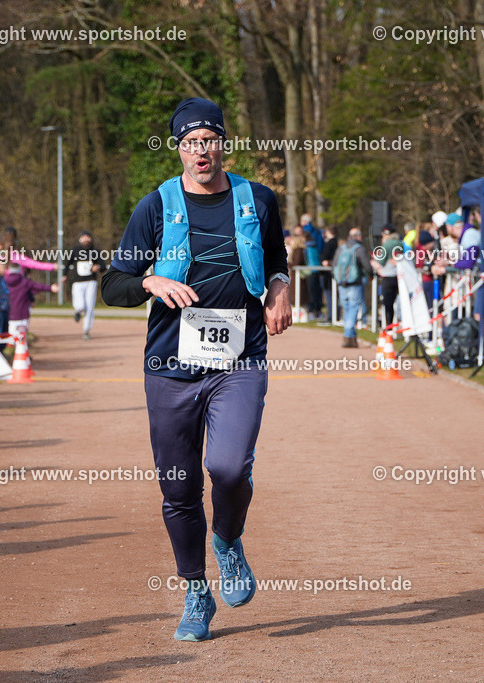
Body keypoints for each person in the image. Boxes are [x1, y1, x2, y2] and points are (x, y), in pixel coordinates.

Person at [100, 97, 291, 642]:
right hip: (168, 364)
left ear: (223, 143)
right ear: (179, 148)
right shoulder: (155, 207)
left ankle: (227, 541)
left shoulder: (257, 199)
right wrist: (148, 282)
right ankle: (195, 592)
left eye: (209, 140)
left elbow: (276, 259)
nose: (200, 151)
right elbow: (113, 284)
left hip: (241, 359)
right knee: (178, 486)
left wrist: (280, 288)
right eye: (190, 142)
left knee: (229, 467)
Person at [62, 231, 105, 340]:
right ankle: (78, 311)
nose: (86, 239)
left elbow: (103, 266)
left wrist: (98, 267)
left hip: (91, 282)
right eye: (84, 237)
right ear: (80, 239)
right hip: (77, 282)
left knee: (90, 306)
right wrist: (64, 275)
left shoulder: (95, 251)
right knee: (80, 305)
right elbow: (68, 264)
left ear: (90, 239)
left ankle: (86, 330)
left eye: (88, 237)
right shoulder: (75, 250)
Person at [333, 227, 371, 347]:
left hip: (342, 283)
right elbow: (367, 266)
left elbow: (334, 265)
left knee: (347, 309)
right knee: (353, 309)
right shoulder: (359, 249)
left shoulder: (341, 249)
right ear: (358, 237)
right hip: (355, 283)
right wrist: (371, 275)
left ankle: (352, 339)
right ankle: (348, 335)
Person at [5, 262, 59, 340]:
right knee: (22, 338)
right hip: (22, 314)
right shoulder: (25, 282)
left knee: (11, 337)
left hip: (10, 314)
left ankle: (10, 348)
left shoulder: (5, 281)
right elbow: (38, 286)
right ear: (20, 270)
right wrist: (50, 288)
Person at [371, 225, 403, 329]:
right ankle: (398, 326)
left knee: (388, 305)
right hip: (399, 277)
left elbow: (381, 262)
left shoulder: (387, 245)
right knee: (399, 303)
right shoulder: (400, 243)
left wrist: (372, 262)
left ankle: (388, 328)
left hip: (388, 277)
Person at [300, 214, 324, 319]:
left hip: (311, 268)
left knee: (312, 290)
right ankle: (317, 309)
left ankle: (314, 310)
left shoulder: (308, 241)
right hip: (317, 266)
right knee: (317, 290)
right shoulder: (317, 232)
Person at [319, 227, 339, 322]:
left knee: (330, 295)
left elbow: (324, 258)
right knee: (332, 295)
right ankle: (334, 315)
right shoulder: (336, 242)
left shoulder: (330, 243)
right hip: (332, 273)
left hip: (328, 274)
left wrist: (325, 261)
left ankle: (331, 316)